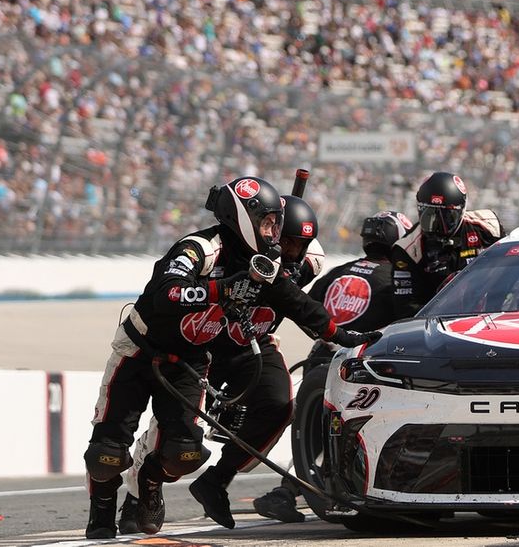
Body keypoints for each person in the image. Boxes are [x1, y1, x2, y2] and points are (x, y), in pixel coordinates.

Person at [106, 189, 379, 536]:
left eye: (300, 246)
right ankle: (140, 492)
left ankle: (217, 480)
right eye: (288, 244)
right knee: (177, 427)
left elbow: (301, 305)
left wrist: (339, 334)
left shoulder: (309, 261)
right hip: (207, 341)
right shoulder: (232, 251)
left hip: (254, 341)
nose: (294, 255)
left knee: (280, 404)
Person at [84, 176, 284, 539]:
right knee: (106, 453)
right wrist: (220, 288)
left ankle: (148, 480)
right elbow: (166, 292)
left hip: (191, 356)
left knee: (186, 453)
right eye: (266, 222)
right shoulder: (198, 248)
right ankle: (100, 510)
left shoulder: (266, 260)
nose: (272, 232)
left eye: (275, 223)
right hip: (139, 347)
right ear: (241, 218)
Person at [252, 209, 413, 523]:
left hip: (320, 356)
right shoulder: (397, 277)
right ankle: (335, 490)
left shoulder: (339, 271)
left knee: (314, 429)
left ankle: (288, 491)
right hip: (362, 363)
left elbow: (303, 306)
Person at [392, 172, 504, 316]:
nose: (437, 225)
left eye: (446, 217)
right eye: (429, 213)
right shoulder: (408, 250)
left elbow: (513, 271)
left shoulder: (488, 227)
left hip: (493, 312)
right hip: (439, 321)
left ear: (462, 209)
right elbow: (406, 307)